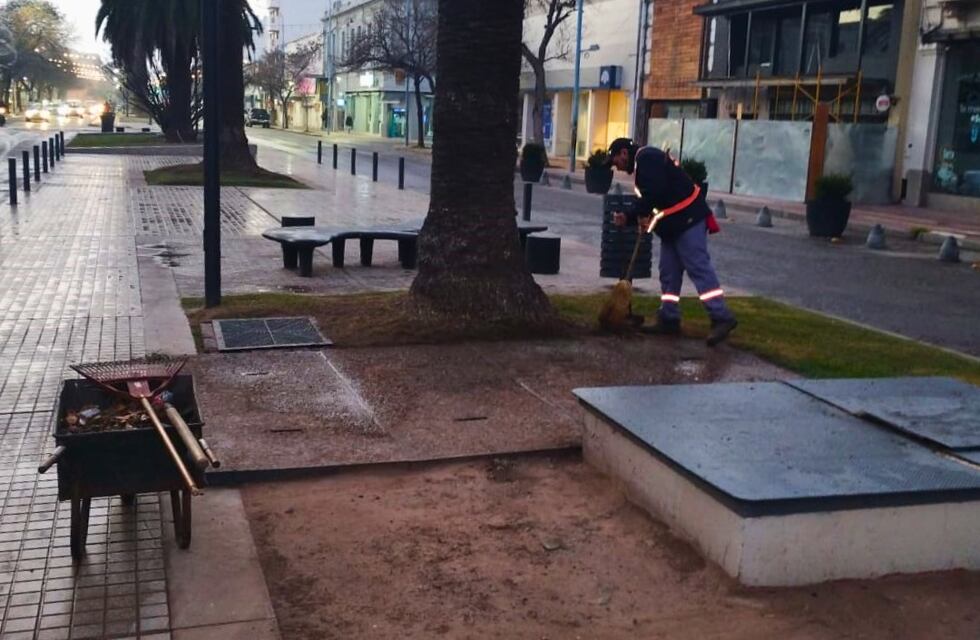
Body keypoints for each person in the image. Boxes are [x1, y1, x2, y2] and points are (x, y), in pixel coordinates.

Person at [608, 138, 737, 346]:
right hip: (673, 226)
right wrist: (633, 218)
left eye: (616, 162)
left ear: (624, 153)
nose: (618, 168)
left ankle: (721, 317)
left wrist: (632, 213)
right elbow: (657, 199)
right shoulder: (645, 163)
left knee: (698, 267)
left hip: (688, 220)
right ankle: (669, 318)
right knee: (668, 271)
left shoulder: (647, 158)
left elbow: (654, 193)